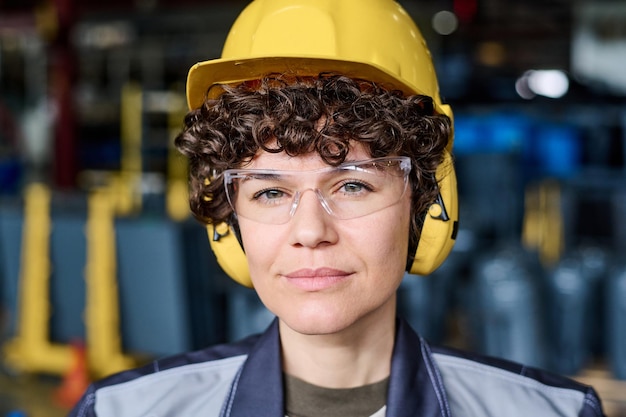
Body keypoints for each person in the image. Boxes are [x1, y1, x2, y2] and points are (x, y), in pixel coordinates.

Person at [69, 0, 605, 416]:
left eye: (352, 186)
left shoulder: (553, 411)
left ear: (423, 203)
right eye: (270, 192)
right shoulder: (121, 410)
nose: (310, 231)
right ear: (230, 224)